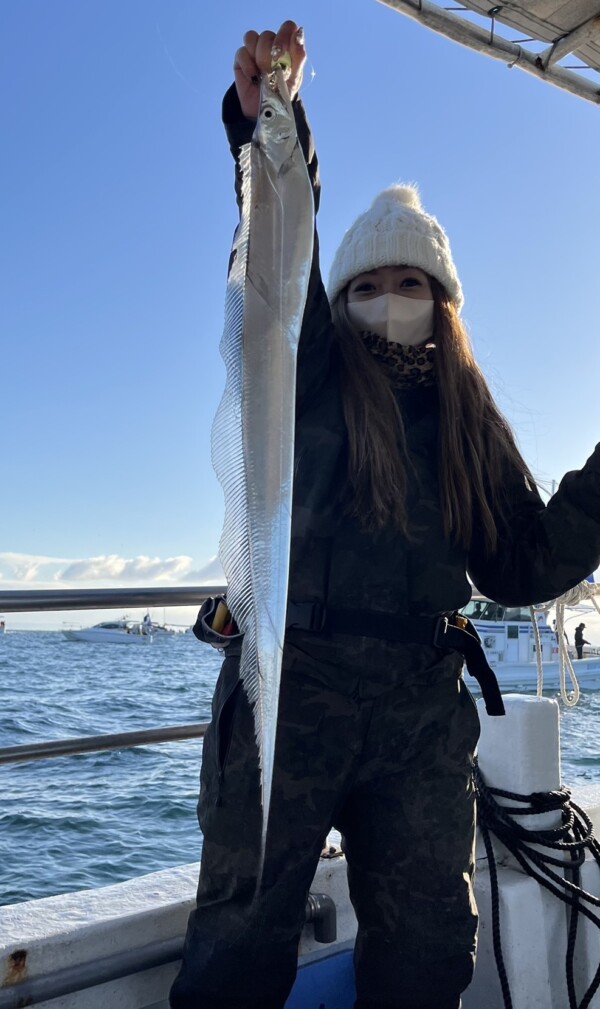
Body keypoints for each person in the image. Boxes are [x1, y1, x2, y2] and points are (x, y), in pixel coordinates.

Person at [170, 20, 600, 1009]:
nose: (389, 297)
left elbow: (524, 563)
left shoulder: (469, 426)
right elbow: (279, 263)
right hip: (293, 684)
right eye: (367, 283)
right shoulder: (307, 370)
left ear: (445, 302)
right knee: (239, 943)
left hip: (419, 706)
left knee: (426, 951)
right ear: (341, 297)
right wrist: (273, 129)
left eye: (410, 283)